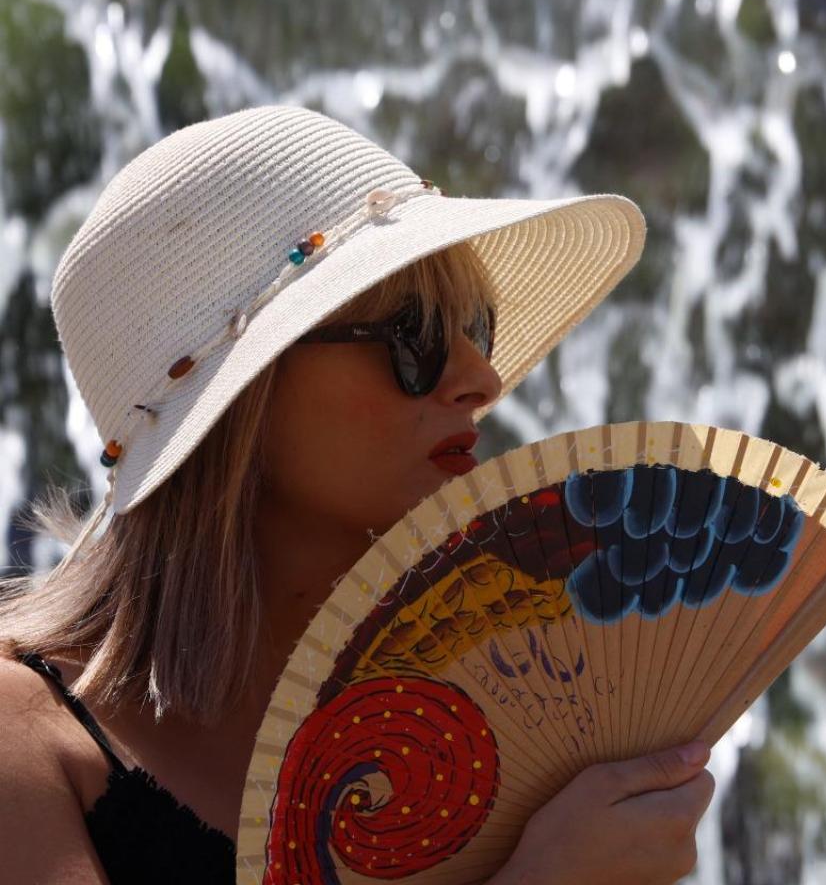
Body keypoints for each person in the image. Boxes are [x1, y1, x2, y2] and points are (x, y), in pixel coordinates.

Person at [0, 105, 713, 884]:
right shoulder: (24, 732)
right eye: (414, 336)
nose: (481, 380)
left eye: (476, 325)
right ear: (245, 402)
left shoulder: (478, 726)